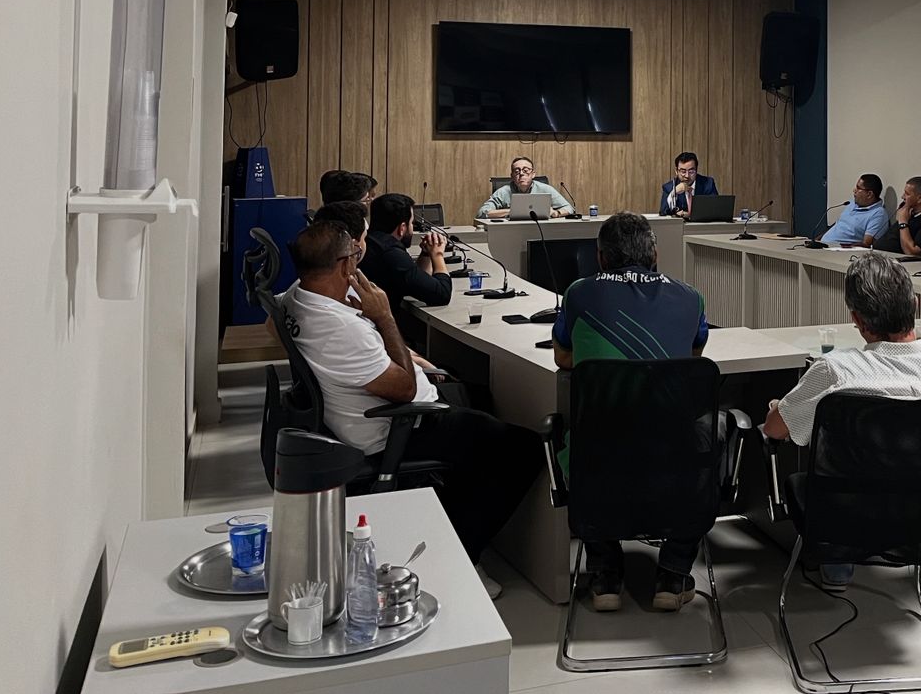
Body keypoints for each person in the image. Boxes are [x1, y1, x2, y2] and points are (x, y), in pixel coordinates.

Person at [283, 221, 536, 597]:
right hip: (395, 428)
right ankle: (463, 556)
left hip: (359, 417)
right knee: (524, 447)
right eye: (355, 254)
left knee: (479, 402)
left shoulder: (296, 296)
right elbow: (404, 390)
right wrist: (384, 317)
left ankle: (448, 524)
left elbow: (276, 328)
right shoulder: (340, 329)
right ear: (345, 265)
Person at [765, 253, 921, 591]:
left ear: (857, 319)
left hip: (844, 515)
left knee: (833, 469)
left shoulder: (836, 370)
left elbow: (775, 429)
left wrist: (777, 406)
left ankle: (838, 565)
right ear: (915, 304)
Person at [551, 212, 711, 612]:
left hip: (597, 461)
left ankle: (605, 575)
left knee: (587, 435)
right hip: (672, 458)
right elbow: (693, 356)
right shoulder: (691, 296)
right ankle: (673, 574)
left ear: (600, 258)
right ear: (655, 254)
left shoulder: (578, 293)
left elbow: (564, 357)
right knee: (714, 433)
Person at [361, 194, 453, 344]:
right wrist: (437, 255)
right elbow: (441, 294)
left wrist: (426, 253)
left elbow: (414, 282)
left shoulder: (372, 242)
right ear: (402, 228)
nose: (412, 229)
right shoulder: (391, 254)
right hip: (379, 337)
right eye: (411, 224)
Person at [872, 175, 921, 257]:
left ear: (919, 199)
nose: (902, 197)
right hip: (877, 255)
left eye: (907, 194)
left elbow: (913, 253)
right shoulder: (908, 212)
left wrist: (903, 223)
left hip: (896, 262)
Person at [478, 156, 573, 219]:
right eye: (517, 171)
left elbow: (569, 208)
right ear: (512, 176)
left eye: (526, 170)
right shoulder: (503, 192)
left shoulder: (545, 189)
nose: (521, 174)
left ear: (533, 174)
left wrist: (556, 213)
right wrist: (511, 211)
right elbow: (481, 213)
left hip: (542, 230)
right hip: (511, 231)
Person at [821, 173, 889, 246]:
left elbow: (866, 244)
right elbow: (838, 225)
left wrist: (843, 248)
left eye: (858, 188)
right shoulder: (852, 203)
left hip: (839, 250)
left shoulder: (878, 214)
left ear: (869, 194)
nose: (854, 190)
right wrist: (817, 240)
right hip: (823, 245)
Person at [658, 151, 720, 217]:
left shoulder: (708, 184)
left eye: (691, 171)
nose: (687, 176)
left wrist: (690, 215)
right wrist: (674, 192)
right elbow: (663, 212)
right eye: (683, 171)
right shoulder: (669, 187)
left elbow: (716, 209)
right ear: (676, 171)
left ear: (696, 170)